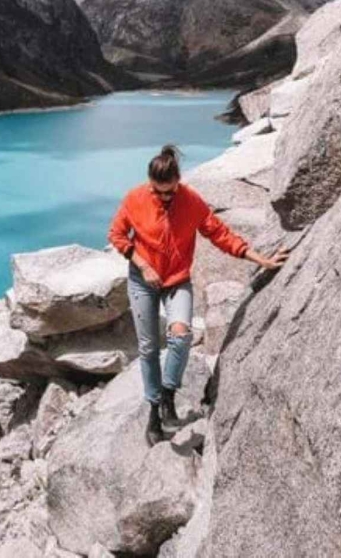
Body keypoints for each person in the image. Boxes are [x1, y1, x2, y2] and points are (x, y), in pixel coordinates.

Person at [107, 144, 288, 445]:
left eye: (170, 192)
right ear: (150, 183)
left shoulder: (190, 201)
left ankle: (167, 394)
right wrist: (142, 264)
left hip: (177, 280)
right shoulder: (135, 198)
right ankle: (154, 413)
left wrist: (259, 258)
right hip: (142, 281)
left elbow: (220, 234)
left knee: (181, 336)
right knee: (149, 348)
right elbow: (115, 234)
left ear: (178, 182)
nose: (165, 198)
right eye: (158, 192)